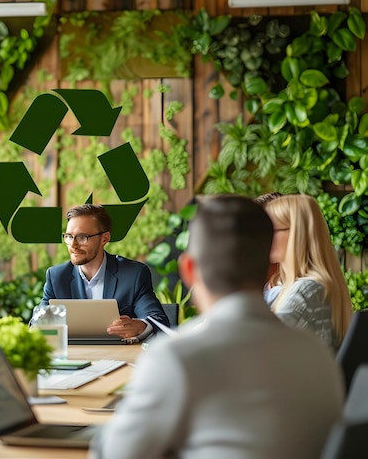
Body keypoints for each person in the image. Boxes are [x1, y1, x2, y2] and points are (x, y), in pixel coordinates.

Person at [89, 195, 344, 459]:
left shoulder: (176, 358)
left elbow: (114, 454)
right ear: (268, 267)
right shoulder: (317, 353)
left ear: (189, 270)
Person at [40, 204, 169, 340]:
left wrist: (141, 326)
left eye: (82, 237)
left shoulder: (134, 275)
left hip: (119, 357)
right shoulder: (56, 277)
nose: (73, 245)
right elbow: (36, 322)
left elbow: (158, 321)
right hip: (72, 357)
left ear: (105, 238)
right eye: (69, 236)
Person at [262, 194, 352, 348]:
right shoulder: (318, 285)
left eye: (271, 229)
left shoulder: (306, 290)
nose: (263, 237)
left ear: (297, 234)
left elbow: (261, 347)